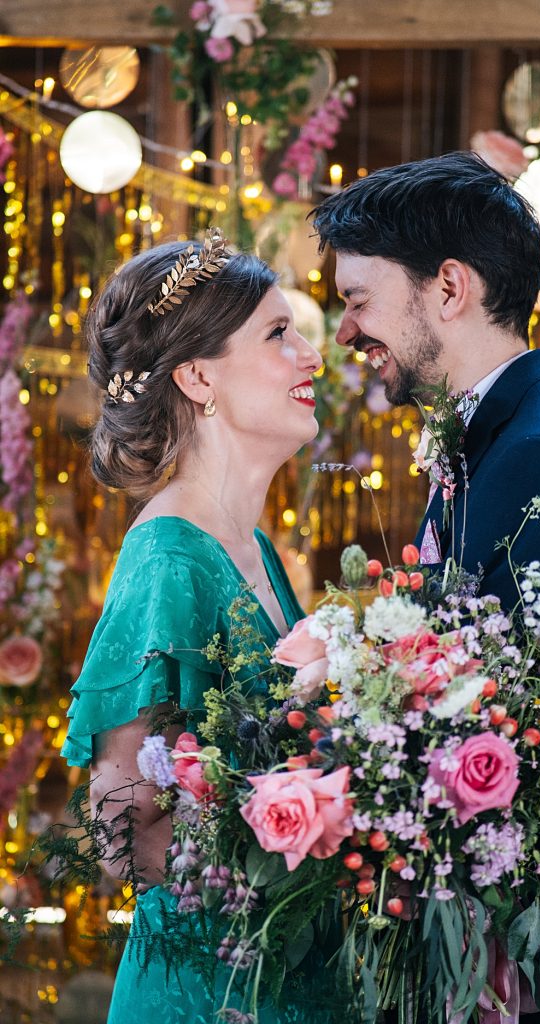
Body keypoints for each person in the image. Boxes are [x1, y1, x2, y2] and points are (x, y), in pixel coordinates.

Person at [312, 153, 540, 1023]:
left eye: (357, 299)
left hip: (538, 973)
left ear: (449, 287)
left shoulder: (533, 451)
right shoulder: (495, 440)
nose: (346, 332)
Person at [61, 231, 333, 1024]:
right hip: (210, 991)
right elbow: (121, 822)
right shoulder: (169, 561)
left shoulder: (252, 548)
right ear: (196, 376)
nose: (310, 354)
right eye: (278, 334)